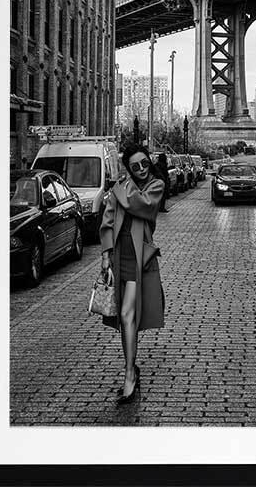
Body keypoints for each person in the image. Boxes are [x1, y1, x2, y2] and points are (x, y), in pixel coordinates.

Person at [99, 143, 165, 405]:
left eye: (144, 164)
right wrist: (105, 255)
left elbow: (141, 205)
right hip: (118, 256)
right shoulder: (121, 185)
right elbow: (108, 218)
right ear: (129, 167)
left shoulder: (155, 185)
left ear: (149, 163)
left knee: (127, 315)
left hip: (139, 259)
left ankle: (129, 375)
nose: (140, 170)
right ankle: (131, 368)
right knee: (124, 319)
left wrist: (119, 187)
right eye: (134, 166)